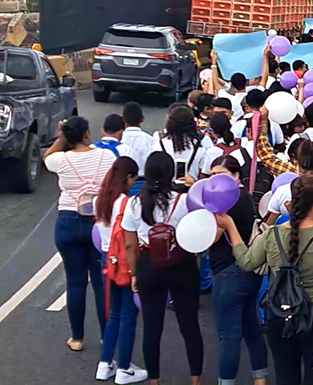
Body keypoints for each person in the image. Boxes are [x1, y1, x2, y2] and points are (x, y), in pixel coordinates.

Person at [223, 176, 313, 385]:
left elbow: (247, 262)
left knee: (285, 376)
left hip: (279, 314)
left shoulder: (272, 235)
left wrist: (230, 227)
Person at [120, 152, 200, 385]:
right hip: (182, 264)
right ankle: (195, 379)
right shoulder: (184, 201)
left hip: (149, 265)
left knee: (152, 327)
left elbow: (129, 244)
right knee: (190, 325)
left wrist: (134, 273)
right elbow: (196, 237)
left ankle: (154, 380)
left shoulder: (134, 204)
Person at [44, 116, 115, 352]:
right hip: (99, 222)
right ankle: (107, 335)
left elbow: (46, 157)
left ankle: (77, 338)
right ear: (86, 134)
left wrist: (62, 136)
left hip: (68, 221)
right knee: (100, 282)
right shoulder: (106, 157)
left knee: (75, 282)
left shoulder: (60, 160)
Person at [202, 156, 269, 385]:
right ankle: (261, 378)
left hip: (228, 272)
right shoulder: (244, 198)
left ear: (236, 176)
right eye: (211, 175)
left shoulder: (225, 203)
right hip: (249, 272)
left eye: (220, 174)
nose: (214, 181)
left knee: (228, 335)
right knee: (251, 328)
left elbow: (212, 239)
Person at [93, 157, 147, 384]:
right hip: (125, 261)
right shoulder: (128, 203)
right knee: (128, 314)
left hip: (107, 258)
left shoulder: (100, 200)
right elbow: (131, 240)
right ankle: (125, 367)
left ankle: (105, 364)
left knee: (114, 312)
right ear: (128, 178)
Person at [152, 105, 211, 185]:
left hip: (167, 190)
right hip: (192, 187)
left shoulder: (160, 143)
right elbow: (207, 170)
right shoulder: (202, 143)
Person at [121, 102, 155, 195]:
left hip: (124, 185)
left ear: (123, 120)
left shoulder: (119, 139)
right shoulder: (150, 140)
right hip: (145, 185)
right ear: (142, 119)